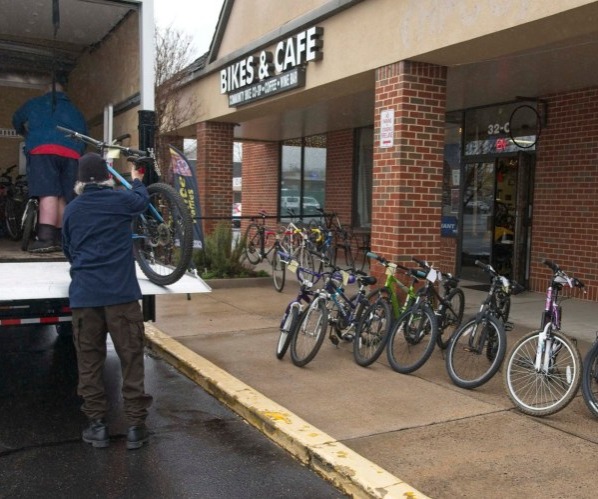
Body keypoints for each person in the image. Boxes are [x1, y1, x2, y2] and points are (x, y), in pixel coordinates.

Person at [62, 152, 153, 450]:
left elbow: (68, 249)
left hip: (85, 297)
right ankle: (136, 428)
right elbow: (141, 200)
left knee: (89, 362)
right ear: (107, 178)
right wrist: (137, 179)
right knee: (131, 359)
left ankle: (97, 426)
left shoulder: (72, 210)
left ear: (79, 182)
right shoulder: (121, 201)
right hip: (121, 296)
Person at [12, 74, 87, 253]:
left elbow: (16, 119)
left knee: (48, 193)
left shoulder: (34, 104)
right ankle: (61, 239)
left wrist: (27, 135)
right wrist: (76, 151)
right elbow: (84, 134)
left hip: (43, 151)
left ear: (45, 91)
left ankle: (46, 239)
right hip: (71, 154)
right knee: (64, 196)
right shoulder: (74, 110)